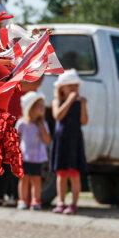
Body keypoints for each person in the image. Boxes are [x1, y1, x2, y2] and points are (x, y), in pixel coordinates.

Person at [51, 69, 89, 215]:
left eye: (76, 86)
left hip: (75, 141)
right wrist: (69, 101)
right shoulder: (57, 102)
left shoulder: (79, 104)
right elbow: (58, 116)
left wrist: (83, 105)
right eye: (70, 86)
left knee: (74, 173)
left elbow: (84, 121)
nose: (74, 89)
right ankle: (60, 202)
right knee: (61, 173)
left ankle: (73, 203)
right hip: (62, 141)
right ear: (62, 88)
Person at [16, 91, 50, 211]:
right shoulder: (22, 123)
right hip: (24, 156)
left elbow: (47, 140)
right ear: (30, 108)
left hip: (37, 157)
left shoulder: (43, 124)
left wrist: (41, 128)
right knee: (24, 178)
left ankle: (36, 200)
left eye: (42, 106)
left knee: (36, 179)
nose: (42, 108)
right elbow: (16, 138)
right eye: (39, 106)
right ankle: (22, 200)